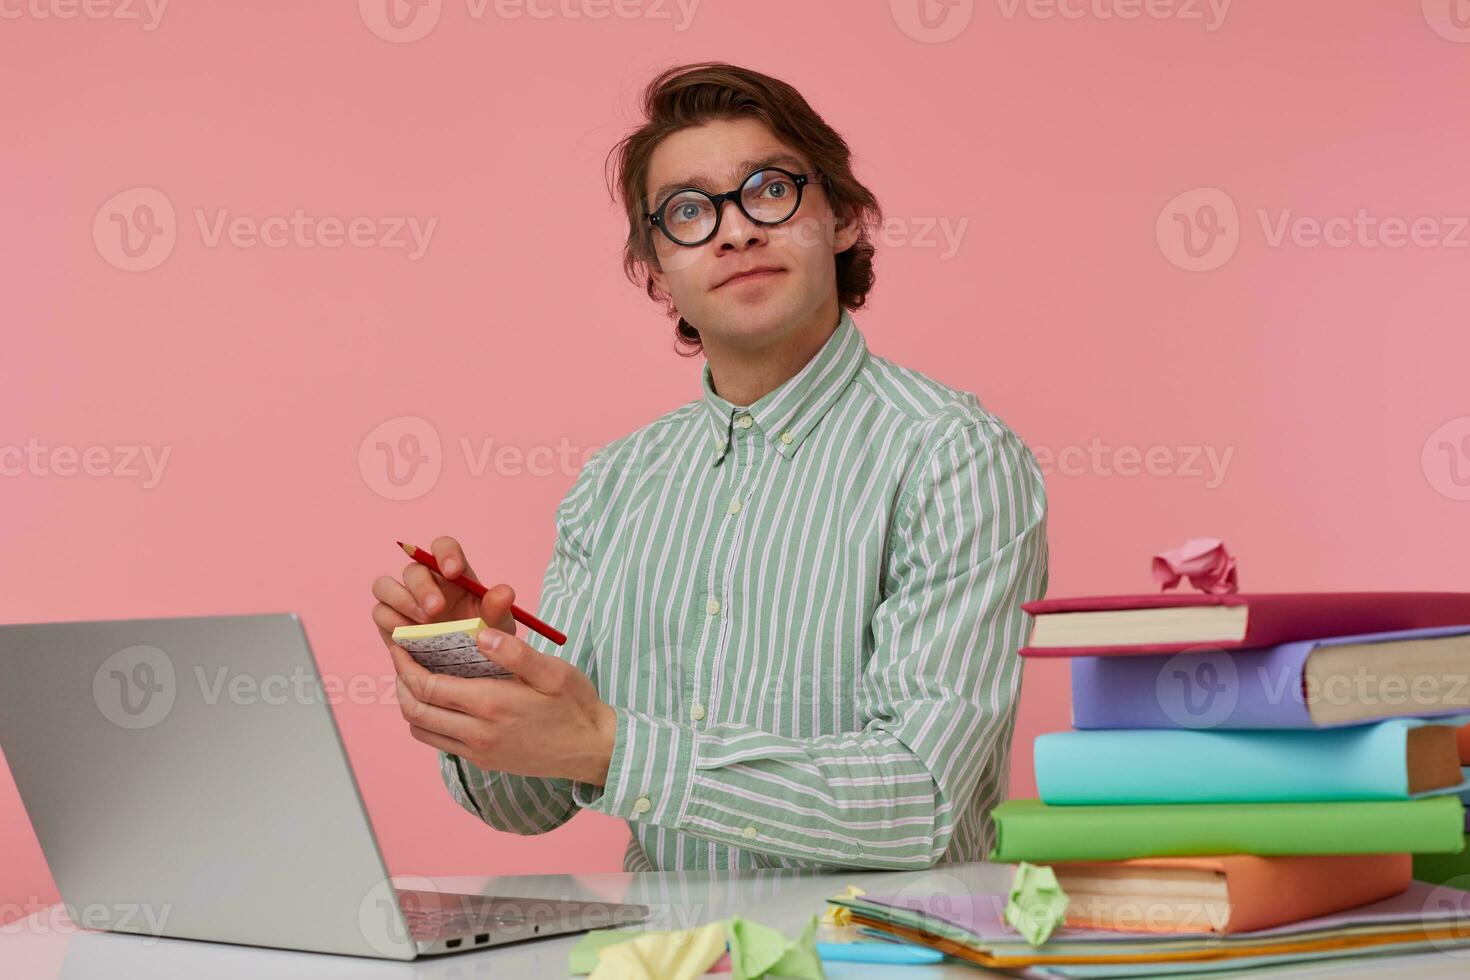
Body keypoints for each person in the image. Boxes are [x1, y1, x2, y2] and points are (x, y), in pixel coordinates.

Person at [370, 61, 1049, 872]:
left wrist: (612, 746)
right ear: (656, 271)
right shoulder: (615, 484)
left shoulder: (953, 458)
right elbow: (535, 800)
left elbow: (918, 801)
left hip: (874, 954)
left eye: (769, 190)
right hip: (663, 956)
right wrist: (478, 670)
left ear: (841, 219)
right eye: (689, 211)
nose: (735, 231)